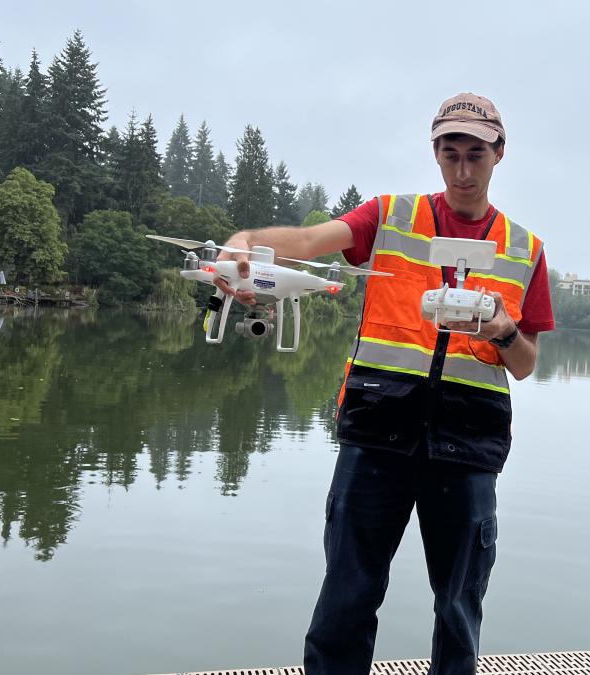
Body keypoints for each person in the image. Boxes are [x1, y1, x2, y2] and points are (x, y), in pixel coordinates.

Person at [214, 92, 554, 675]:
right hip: (377, 435)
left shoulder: (525, 250)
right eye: (451, 154)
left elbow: (524, 364)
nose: (463, 169)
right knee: (347, 596)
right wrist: (247, 242)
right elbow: (311, 241)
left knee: (458, 607)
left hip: (468, 446)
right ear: (436, 154)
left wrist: (501, 330)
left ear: (501, 154)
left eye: (477, 153)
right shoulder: (390, 215)